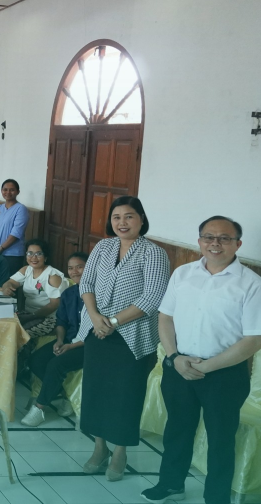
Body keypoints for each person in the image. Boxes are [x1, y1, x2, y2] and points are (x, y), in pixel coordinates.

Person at [142, 216, 261, 504]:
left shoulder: (251, 284)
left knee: (221, 440)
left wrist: (207, 367)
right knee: (177, 430)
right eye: (209, 237)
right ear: (199, 241)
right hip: (179, 367)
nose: (215, 243)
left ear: (237, 244)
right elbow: (165, 317)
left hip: (224, 375)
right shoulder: (183, 274)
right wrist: (174, 357)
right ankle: (171, 485)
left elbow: (254, 339)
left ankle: (216, 498)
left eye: (224, 238)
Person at [75, 196, 169, 482]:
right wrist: (95, 316)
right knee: (95, 391)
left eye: (129, 216)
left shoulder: (154, 253)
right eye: (116, 217)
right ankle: (99, 447)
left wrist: (113, 322)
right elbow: (86, 282)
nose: (122, 222)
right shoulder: (103, 247)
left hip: (132, 336)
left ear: (141, 219)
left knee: (126, 395)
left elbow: (152, 297)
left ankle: (120, 451)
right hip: (96, 331)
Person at [22, 252, 88, 427]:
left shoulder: (99, 293)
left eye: (79, 267)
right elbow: (62, 322)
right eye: (70, 268)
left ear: (90, 268)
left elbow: (97, 330)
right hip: (68, 339)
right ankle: (65, 394)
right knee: (36, 360)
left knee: (56, 364)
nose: (74, 271)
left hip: (89, 344)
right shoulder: (69, 293)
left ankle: (39, 407)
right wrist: (59, 340)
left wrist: (71, 346)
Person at [2, 240, 66, 343]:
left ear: (45, 257)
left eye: (38, 254)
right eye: (30, 253)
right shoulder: (26, 270)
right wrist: (7, 288)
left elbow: (54, 304)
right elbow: (10, 282)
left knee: (17, 335)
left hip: (49, 319)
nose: (33, 257)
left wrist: (32, 316)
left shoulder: (52, 275)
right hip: (28, 314)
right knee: (3, 325)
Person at [0, 179, 29, 274]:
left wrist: (1, 248)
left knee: (9, 281)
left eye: (12, 190)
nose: (8, 192)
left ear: (18, 192)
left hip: (12, 255)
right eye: (5, 189)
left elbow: (16, 232)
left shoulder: (21, 209)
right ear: (1, 191)